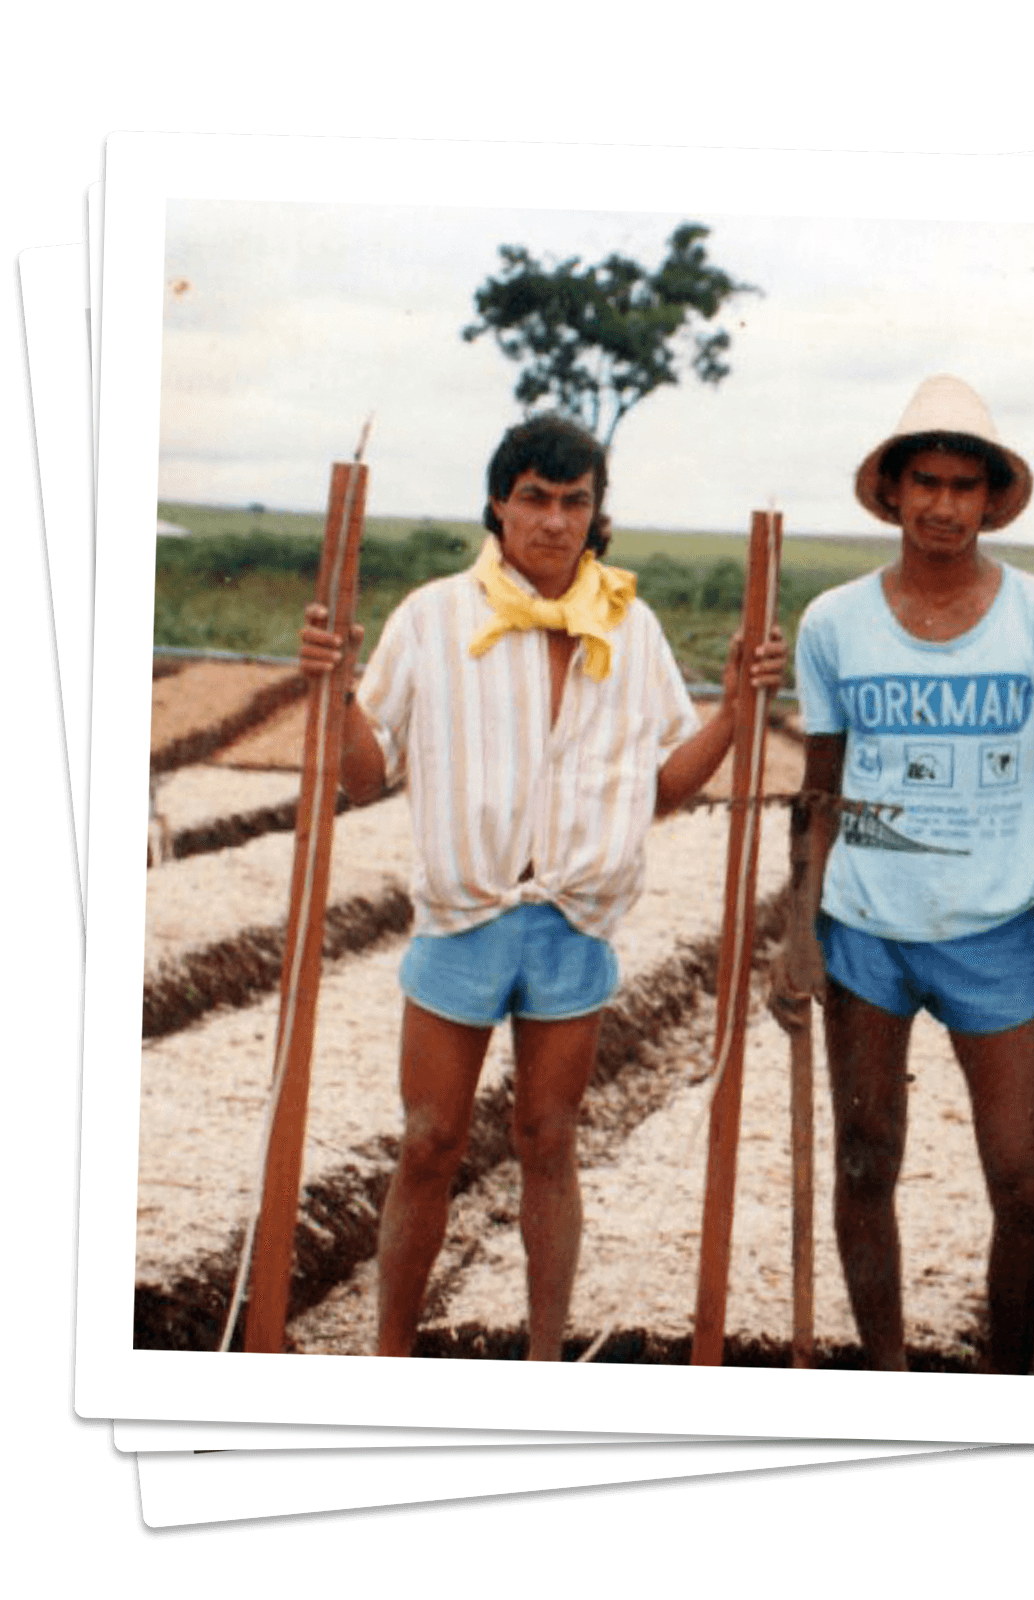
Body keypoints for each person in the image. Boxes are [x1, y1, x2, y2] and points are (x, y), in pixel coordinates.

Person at [298, 412, 785, 1360]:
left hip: (573, 921)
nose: (554, 522)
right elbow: (362, 775)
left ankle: (544, 1358)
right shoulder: (435, 617)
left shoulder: (629, 628)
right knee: (431, 1141)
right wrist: (329, 689)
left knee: (548, 1139)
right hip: (465, 916)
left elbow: (659, 791)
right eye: (535, 499)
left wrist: (736, 710)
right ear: (498, 504)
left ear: (597, 514)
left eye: (575, 502)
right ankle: (389, 1355)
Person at [793, 375, 1034, 1373]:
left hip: (993, 939)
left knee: (1021, 1182)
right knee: (862, 1156)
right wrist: (797, 932)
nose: (940, 504)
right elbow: (821, 790)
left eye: (962, 485)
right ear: (890, 492)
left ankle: (1004, 1387)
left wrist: (1015, 890)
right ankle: (886, 1377)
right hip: (863, 935)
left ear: (989, 497)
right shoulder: (834, 623)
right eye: (922, 481)